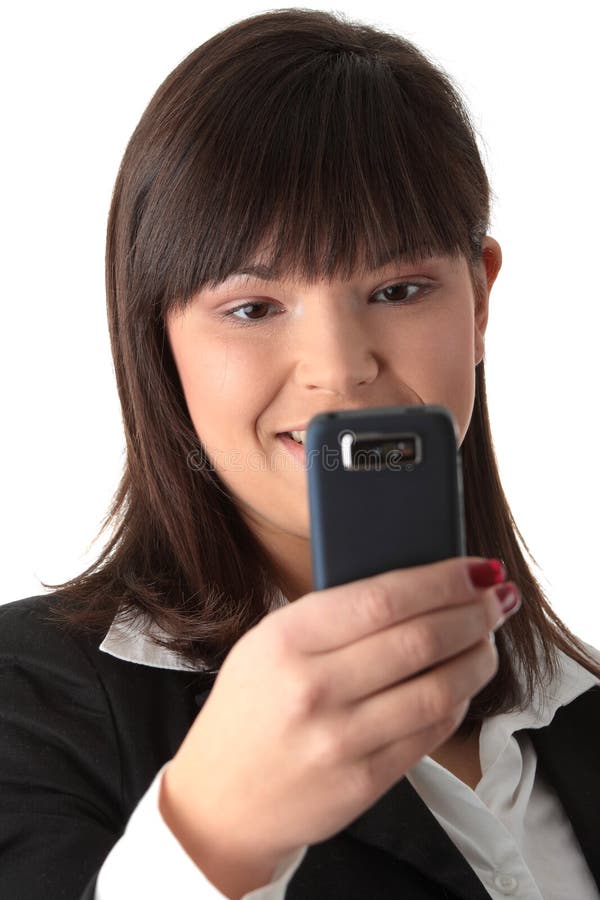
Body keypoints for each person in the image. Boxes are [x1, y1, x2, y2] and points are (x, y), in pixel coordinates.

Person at [1, 8, 599, 899]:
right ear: (158, 339)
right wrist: (212, 833)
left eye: (398, 289)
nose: (339, 370)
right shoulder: (29, 707)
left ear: (478, 301)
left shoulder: (578, 704)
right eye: (254, 306)